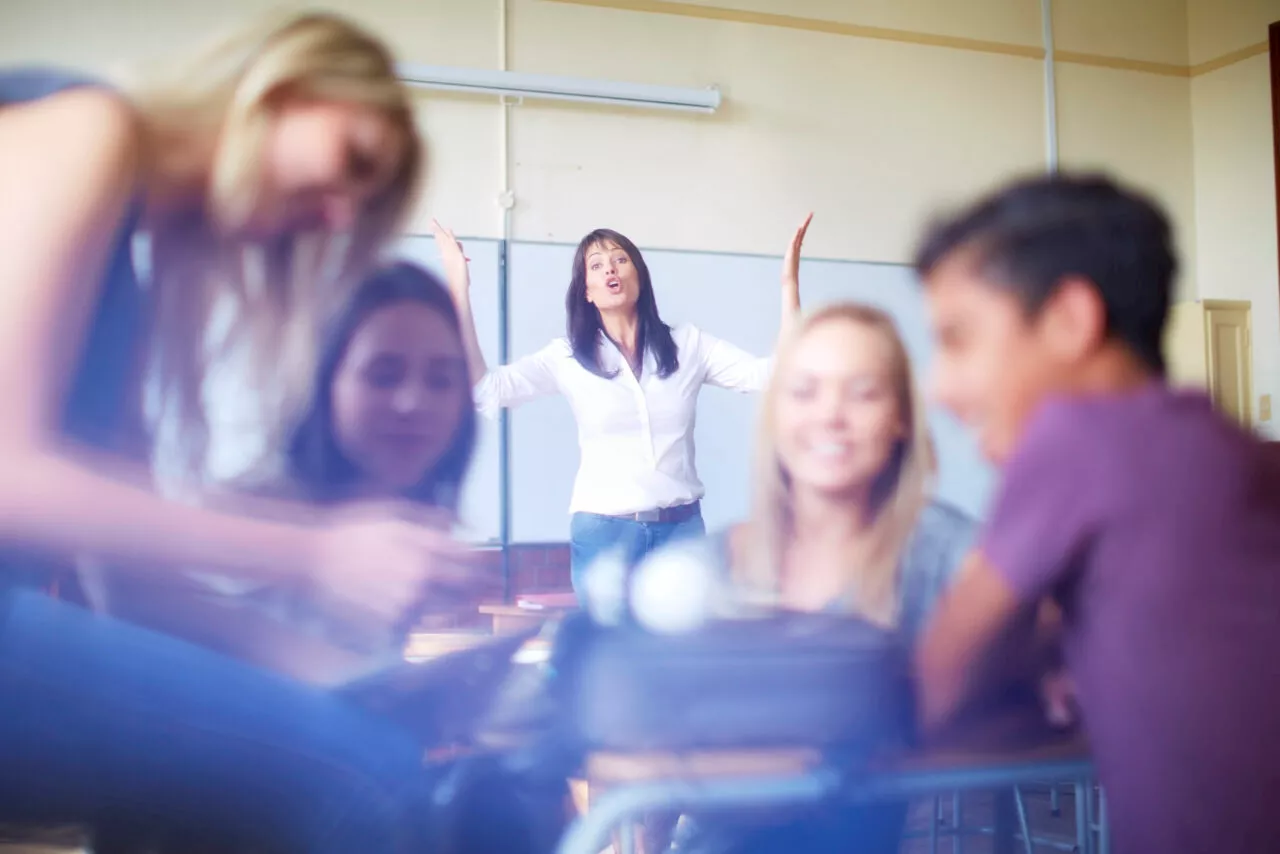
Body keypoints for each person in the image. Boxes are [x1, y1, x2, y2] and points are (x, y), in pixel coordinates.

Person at [0, 13, 496, 854]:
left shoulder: (134, 262)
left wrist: (364, 687)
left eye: (365, 206)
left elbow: (130, 585)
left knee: (384, 761)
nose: (341, 217)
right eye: (352, 163)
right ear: (283, 89)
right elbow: (12, 476)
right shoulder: (93, 127)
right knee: (365, 782)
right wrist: (314, 550)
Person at [912, 173, 1280, 853]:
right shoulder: (1220, 448)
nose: (939, 387)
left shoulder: (1078, 439)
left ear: (1070, 320)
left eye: (959, 339)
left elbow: (937, 686)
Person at [669, 303, 974, 854]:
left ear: (902, 416)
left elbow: (1053, 632)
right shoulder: (711, 567)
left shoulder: (938, 548)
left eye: (862, 392)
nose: (830, 415)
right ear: (776, 414)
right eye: (804, 391)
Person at [99, 262, 483, 685]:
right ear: (322, 383)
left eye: (442, 380)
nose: (413, 401)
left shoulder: (409, 515)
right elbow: (129, 591)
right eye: (383, 375)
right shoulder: (260, 503)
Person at [432, 216, 811, 593]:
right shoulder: (566, 357)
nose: (609, 268)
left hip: (681, 532)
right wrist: (457, 290)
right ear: (587, 292)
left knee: (681, 650)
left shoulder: (688, 346)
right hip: (604, 533)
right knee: (609, 649)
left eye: (620, 259)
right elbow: (486, 389)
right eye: (595, 266)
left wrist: (788, 286)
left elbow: (774, 376)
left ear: (639, 276)